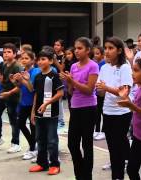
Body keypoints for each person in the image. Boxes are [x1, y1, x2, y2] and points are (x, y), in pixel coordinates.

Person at [60, 37, 98, 180]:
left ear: (88, 50)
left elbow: (89, 90)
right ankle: (80, 173)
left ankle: (86, 176)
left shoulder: (93, 66)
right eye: (75, 48)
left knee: (87, 144)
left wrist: (72, 81)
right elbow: (70, 91)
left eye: (80, 48)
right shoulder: (74, 66)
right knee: (72, 144)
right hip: (75, 107)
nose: (76, 51)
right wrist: (68, 82)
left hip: (88, 108)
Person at [96, 37, 133, 180]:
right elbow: (100, 91)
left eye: (111, 48)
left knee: (118, 145)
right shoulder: (104, 67)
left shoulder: (124, 67)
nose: (107, 51)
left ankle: (120, 173)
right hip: (108, 111)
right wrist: (100, 89)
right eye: (105, 48)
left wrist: (106, 88)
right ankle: (116, 174)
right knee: (112, 147)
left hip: (122, 112)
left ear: (119, 50)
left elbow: (124, 92)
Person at [29, 47, 64, 175]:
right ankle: (41, 163)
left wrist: (47, 103)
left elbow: (60, 93)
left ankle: (55, 164)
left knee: (52, 139)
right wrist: (33, 111)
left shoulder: (54, 76)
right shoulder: (37, 76)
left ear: (50, 61)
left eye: (43, 59)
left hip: (52, 113)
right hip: (39, 113)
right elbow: (36, 95)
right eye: (39, 59)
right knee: (40, 139)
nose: (40, 62)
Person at [0, 43, 23, 152]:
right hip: (4, 93)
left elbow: (20, 86)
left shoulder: (17, 66)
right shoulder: (3, 65)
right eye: (4, 52)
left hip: (14, 96)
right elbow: (4, 81)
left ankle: (16, 143)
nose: (6, 54)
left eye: (9, 52)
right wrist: (0, 80)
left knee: (13, 120)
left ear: (14, 54)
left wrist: (9, 93)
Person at [13, 50, 39, 160]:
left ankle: (33, 149)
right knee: (20, 124)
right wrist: (15, 81)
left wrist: (23, 80)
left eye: (26, 58)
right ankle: (33, 145)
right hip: (23, 102)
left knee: (33, 127)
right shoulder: (23, 70)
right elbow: (20, 87)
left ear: (33, 60)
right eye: (22, 58)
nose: (23, 60)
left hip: (33, 103)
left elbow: (32, 89)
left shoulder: (35, 71)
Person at [93, 45, 106, 141]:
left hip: (104, 91)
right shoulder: (94, 63)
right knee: (97, 111)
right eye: (94, 53)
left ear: (102, 55)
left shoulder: (104, 64)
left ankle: (103, 130)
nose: (95, 55)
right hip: (96, 91)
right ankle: (97, 130)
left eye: (97, 53)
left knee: (103, 111)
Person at [53, 39, 66, 129]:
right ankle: (55, 119)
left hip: (60, 79)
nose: (55, 46)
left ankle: (61, 121)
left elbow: (61, 69)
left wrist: (55, 60)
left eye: (58, 45)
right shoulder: (52, 55)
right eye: (55, 44)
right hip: (52, 78)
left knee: (59, 100)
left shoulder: (64, 56)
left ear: (62, 47)